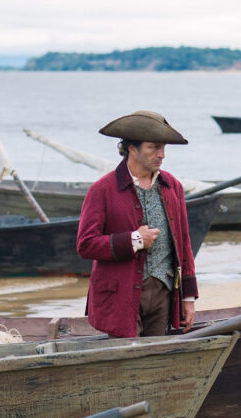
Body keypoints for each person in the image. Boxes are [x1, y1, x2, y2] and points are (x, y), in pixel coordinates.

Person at [76, 110, 198, 338]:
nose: (162, 154)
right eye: (154, 147)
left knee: (156, 360)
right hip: (119, 297)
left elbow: (184, 245)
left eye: (164, 148)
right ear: (132, 148)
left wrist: (188, 297)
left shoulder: (173, 186)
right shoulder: (101, 190)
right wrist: (134, 240)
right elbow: (86, 245)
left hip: (164, 292)